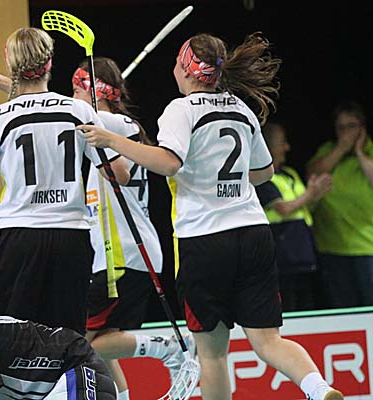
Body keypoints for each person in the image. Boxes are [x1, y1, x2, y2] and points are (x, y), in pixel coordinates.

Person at [79, 33, 344, 400]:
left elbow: (168, 163)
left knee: (213, 353)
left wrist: (112, 140)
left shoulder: (181, 110)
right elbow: (264, 172)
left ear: (187, 70)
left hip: (204, 240)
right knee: (269, 341)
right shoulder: (241, 110)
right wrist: (224, 177)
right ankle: (319, 387)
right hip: (253, 233)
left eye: (176, 63)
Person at [0, 27, 129, 335]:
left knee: (6, 335)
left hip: (19, 238)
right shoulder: (79, 110)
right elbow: (120, 174)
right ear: (50, 62)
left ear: (10, 62)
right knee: (67, 338)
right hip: (71, 238)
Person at [68, 57, 193, 399]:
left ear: (94, 92)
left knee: (75, 344)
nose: (71, 98)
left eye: (76, 90)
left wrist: (10, 84)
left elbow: (119, 173)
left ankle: (166, 346)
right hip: (120, 254)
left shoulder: (112, 123)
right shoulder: (109, 127)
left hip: (122, 253)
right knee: (101, 343)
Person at [256, 122, 332, 311]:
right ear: (269, 147)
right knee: (288, 306)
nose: (287, 148)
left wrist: (316, 196)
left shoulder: (289, 174)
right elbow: (283, 208)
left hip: (303, 253)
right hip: (282, 257)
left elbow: (303, 206)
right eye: (282, 143)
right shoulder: (262, 178)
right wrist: (310, 194)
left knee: (307, 304)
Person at [306, 100, 373, 308]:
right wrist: (342, 148)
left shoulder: (370, 151)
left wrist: (359, 153)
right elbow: (312, 174)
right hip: (332, 247)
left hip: (367, 247)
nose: (346, 133)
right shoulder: (328, 150)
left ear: (362, 127)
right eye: (340, 127)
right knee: (343, 308)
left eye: (351, 126)